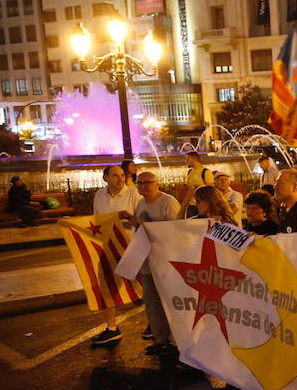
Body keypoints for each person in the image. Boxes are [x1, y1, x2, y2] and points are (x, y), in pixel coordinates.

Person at [131, 172, 182, 358]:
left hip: (166, 261)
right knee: (152, 302)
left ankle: (175, 341)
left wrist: (147, 225)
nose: (144, 186)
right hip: (147, 259)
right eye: (140, 183)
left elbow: (176, 230)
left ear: (157, 184)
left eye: (148, 183)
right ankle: (160, 339)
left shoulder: (168, 203)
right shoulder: (140, 204)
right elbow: (141, 228)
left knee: (169, 301)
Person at [90, 164, 142, 347]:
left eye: (122, 175)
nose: (120, 179)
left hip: (132, 248)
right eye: (115, 176)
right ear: (105, 178)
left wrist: (127, 217)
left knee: (147, 289)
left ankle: (158, 326)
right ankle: (112, 328)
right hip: (108, 248)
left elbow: (142, 222)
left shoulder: (133, 194)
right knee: (106, 287)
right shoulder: (99, 196)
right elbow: (96, 222)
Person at [180, 150, 214, 218]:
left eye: (188, 159)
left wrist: (197, 186)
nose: (186, 162)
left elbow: (211, 188)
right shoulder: (190, 172)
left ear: (194, 159)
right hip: (191, 205)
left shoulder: (205, 172)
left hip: (202, 205)